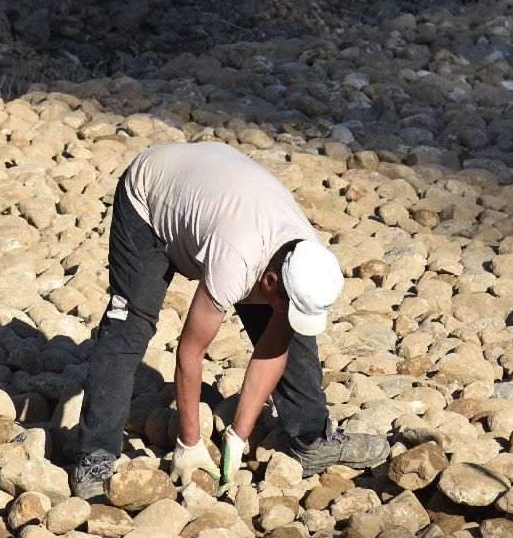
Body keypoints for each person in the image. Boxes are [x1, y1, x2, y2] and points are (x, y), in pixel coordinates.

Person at [69, 140, 390, 500]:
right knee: (130, 324)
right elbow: (190, 351)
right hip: (151, 197)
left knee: (293, 327)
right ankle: (95, 454)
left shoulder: (307, 256)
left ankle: (313, 438)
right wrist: (189, 442)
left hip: (218, 202)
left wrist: (238, 435)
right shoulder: (236, 259)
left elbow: (274, 347)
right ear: (269, 281)